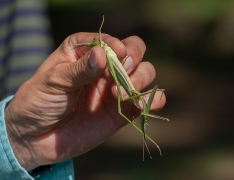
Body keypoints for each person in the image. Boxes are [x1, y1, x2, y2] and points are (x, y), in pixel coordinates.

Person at [1, 31, 166, 179]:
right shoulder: (100, 50)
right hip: (117, 77)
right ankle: (147, 133)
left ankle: (147, 130)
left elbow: (101, 39)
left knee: (128, 93)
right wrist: (17, 137)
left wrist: (18, 140)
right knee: (124, 99)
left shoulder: (105, 47)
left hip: (121, 77)